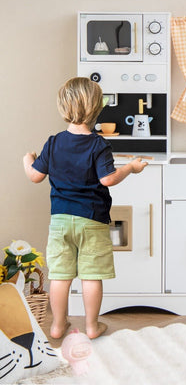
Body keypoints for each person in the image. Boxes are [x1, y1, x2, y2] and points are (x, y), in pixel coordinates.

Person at [23, 77, 148, 340]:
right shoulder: (99, 144)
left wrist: (28, 160)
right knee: (91, 275)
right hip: (92, 220)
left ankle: (57, 325)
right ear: (96, 108)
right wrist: (130, 168)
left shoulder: (54, 142)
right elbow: (107, 179)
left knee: (60, 275)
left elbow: (35, 176)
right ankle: (92, 326)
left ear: (64, 107)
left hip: (60, 221)